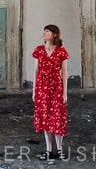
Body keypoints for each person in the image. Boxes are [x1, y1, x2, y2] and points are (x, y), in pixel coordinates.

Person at [32, 24, 69, 161]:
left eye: (47, 31)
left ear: (54, 34)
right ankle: (48, 150)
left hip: (56, 87)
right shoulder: (39, 50)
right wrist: (34, 91)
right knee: (45, 118)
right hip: (42, 87)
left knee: (57, 117)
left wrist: (65, 93)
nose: (44, 33)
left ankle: (59, 150)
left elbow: (64, 73)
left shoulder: (61, 51)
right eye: (44, 31)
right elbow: (36, 72)